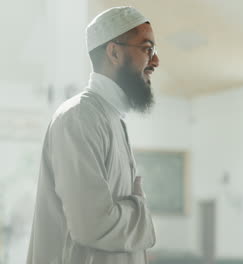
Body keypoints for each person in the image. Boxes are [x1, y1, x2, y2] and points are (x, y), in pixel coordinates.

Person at [27, 6, 159, 263]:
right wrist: (141, 210)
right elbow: (93, 224)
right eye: (147, 49)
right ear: (114, 52)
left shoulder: (110, 117)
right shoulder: (80, 117)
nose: (155, 61)